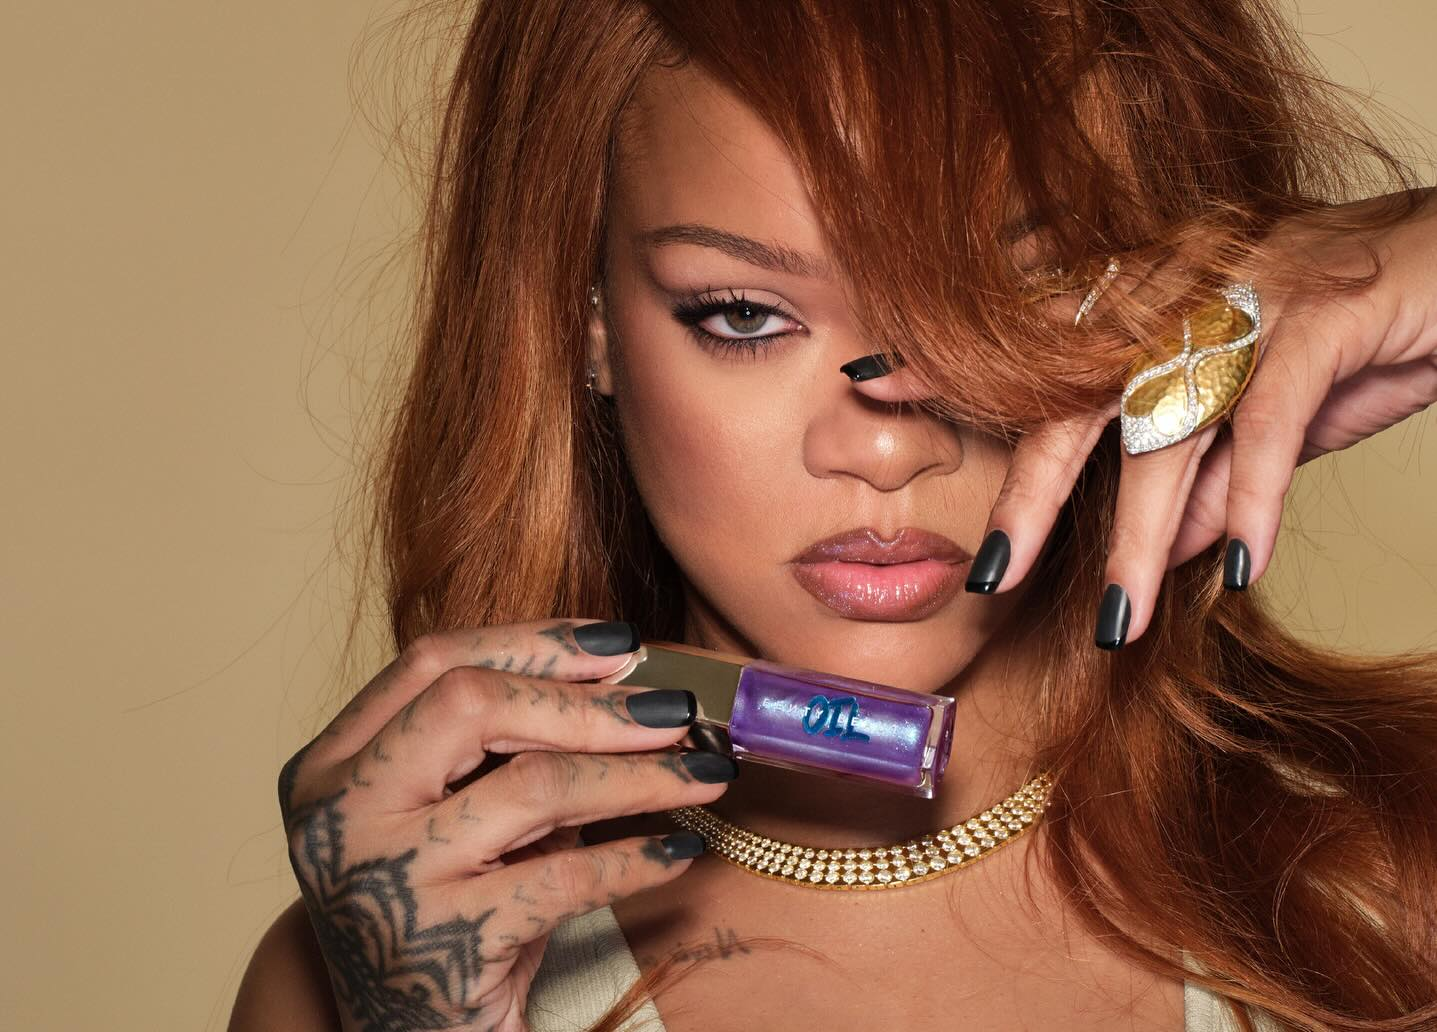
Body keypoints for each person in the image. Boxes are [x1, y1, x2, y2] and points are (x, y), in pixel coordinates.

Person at [228, 1, 1437, 1030]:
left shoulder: (1390, 898)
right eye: (745, 314)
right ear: (588, 320)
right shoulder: (376, 972)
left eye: (1018, 294)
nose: (885, 442)